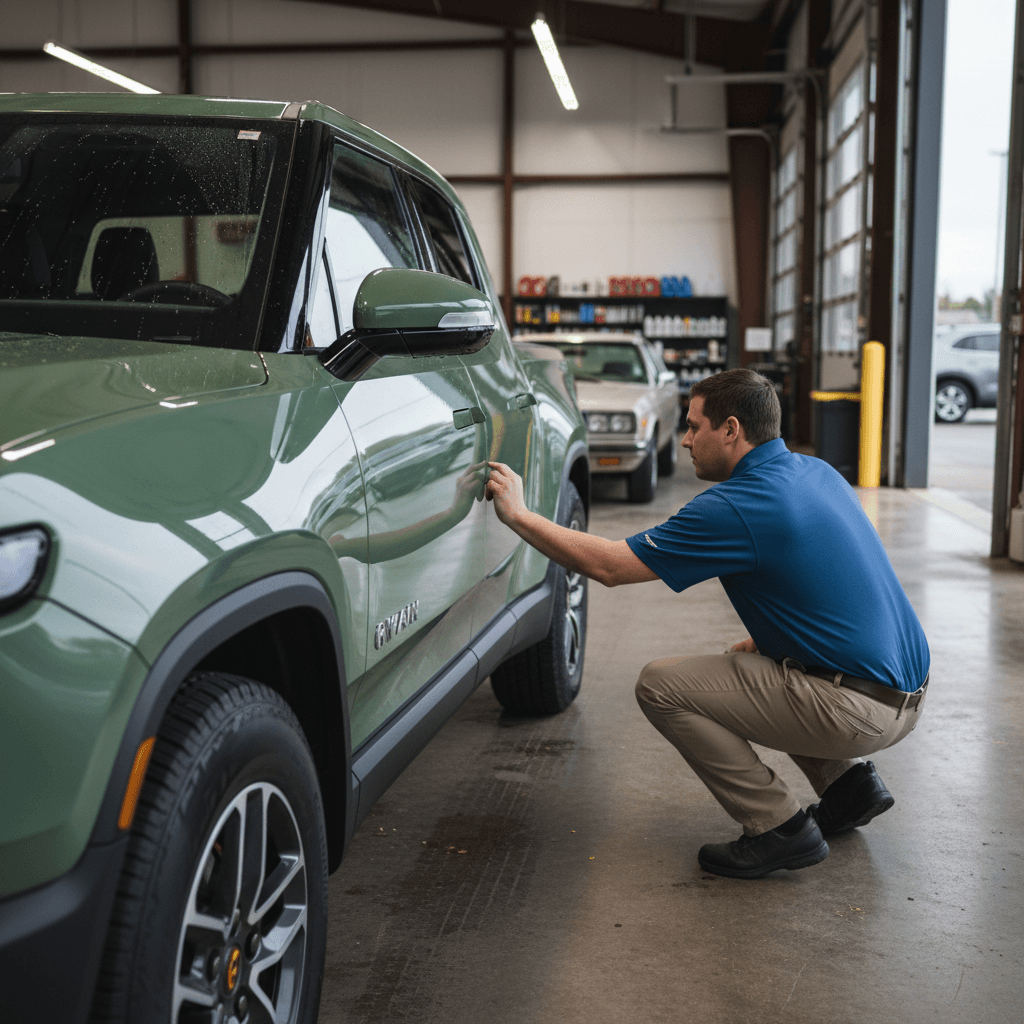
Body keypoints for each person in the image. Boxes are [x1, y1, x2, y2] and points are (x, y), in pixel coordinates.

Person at [484, 368, 929, 879]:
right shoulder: (816, 471)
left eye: (695, 427)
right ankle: (849, 790)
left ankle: (779, 829)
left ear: (732, 430)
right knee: (751, 661)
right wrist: (774, 640)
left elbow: (608, 565)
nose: (686, 440)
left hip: (859, 711)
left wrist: (520, 515)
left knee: (662, 685)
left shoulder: (736, 506)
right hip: (905, 695)